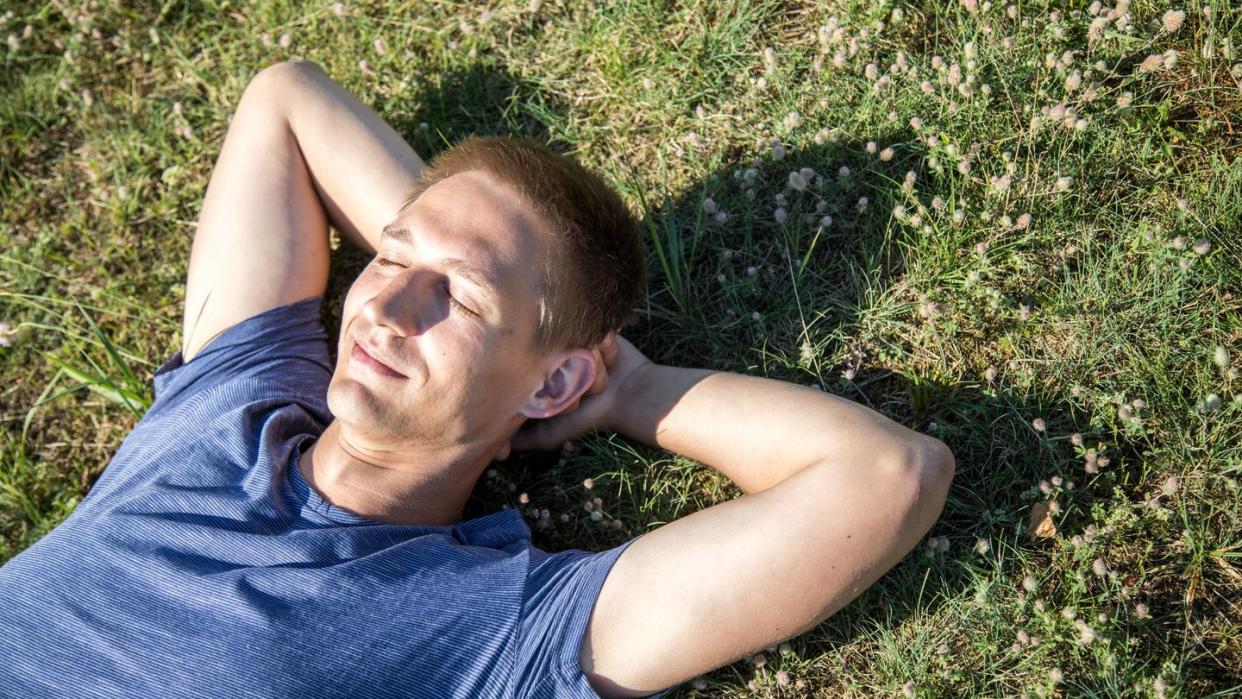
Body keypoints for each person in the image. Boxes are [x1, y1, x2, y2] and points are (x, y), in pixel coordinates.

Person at [0, 60, 954, 698]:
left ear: (551, 384)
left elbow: (887, 475)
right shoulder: (229, 402)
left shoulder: (491, 625)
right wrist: (454, 261)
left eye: (455, 297)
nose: (381, 307)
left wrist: (625, 388)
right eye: (388, 255)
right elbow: (284, 100)